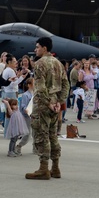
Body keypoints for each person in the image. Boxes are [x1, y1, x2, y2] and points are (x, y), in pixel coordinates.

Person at [26, 37, 69, 180]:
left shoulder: (39, 64)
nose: (35, 49)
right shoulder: (58, 63)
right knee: (53, 136)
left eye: (37, 47)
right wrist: (59, 101)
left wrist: (47, 102)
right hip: (55, 104)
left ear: (44, 48)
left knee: (41, 135)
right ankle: (55, 168)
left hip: (43, 105)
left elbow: (40, 87)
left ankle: (43, 168)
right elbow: (65, 84)